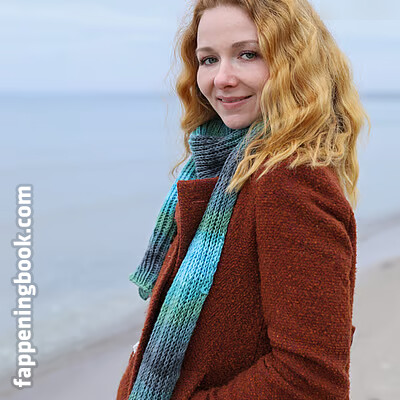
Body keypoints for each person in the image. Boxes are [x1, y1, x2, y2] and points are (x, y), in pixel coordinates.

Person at [116, 0, 370, 399]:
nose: (222, 78)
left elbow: (311, 380)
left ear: (295, 64)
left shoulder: (289, 181)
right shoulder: (219, 167)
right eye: (208, 59)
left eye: (248, 54)